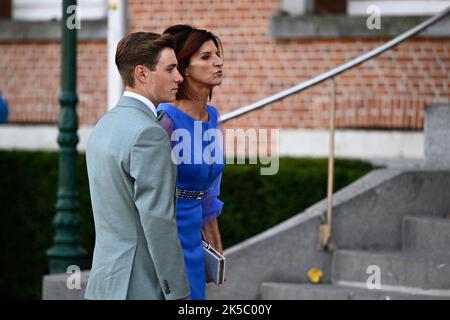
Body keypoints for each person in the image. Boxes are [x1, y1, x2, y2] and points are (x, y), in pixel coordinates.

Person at [84, 32, 189, 300]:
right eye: (171, 69)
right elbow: (158, 221)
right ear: (142, 74)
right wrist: (177, 291)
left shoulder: (104, 125)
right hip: (140, 285)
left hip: (103, 283)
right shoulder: (149, 133)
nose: (179, 77)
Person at [157, 25, 225, 300]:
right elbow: (148, 190)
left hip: (196, 238)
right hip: (168, 237)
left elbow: (207, 189)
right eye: (206, 57)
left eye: (218, 55)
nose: (218, 62)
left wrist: (215, 243)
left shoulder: (212, 115)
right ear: (184, 69)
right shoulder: (166, 119)